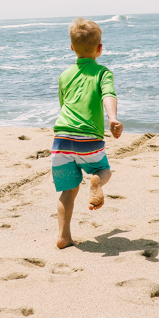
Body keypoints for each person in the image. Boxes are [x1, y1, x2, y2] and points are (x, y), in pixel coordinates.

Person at [51, 18, 123, 249]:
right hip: (88, 140)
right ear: (100, 49)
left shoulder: (64, 75)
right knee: (104, 170)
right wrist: (112, 118)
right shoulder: (103, 72)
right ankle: (96, 182)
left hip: (61, 139)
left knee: (67, 192)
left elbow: (63, 105)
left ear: (72, 48)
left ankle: (64, 237)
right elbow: (107, 95)